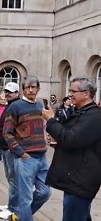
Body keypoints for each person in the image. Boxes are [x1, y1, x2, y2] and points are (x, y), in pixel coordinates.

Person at [42, 77, 101, 221]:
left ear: (86, 94)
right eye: (69, 91)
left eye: (73, 91)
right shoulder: (81, 112)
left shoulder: (93, 116)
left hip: (81, 180)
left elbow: (71, 139)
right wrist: (58, 142)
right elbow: (76, 139)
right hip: (75, 177)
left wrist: (50, 121)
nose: (70, 94)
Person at [3, 76, 51, 221]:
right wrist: (21, 153)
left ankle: (19, 216)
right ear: (23, 89)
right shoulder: (16, 106)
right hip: (26, 158)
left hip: (41, 156)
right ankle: (24, 216)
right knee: (25, 198)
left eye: (33, 87)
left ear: (38, 89)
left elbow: (44, 125)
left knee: (45, 192)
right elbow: (7, 133)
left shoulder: (39, 106)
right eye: (28, 87)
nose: (31, 90)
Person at [0, 82, 21, 220]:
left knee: (13, 179)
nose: (7, 94)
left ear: (17, 93)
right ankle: (11, 204)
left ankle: (14, 208)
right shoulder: (9, 106)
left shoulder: (16, 106)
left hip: (11, 148)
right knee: (10, 177)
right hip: (5, 147)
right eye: (6, 91)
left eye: (10, 92)